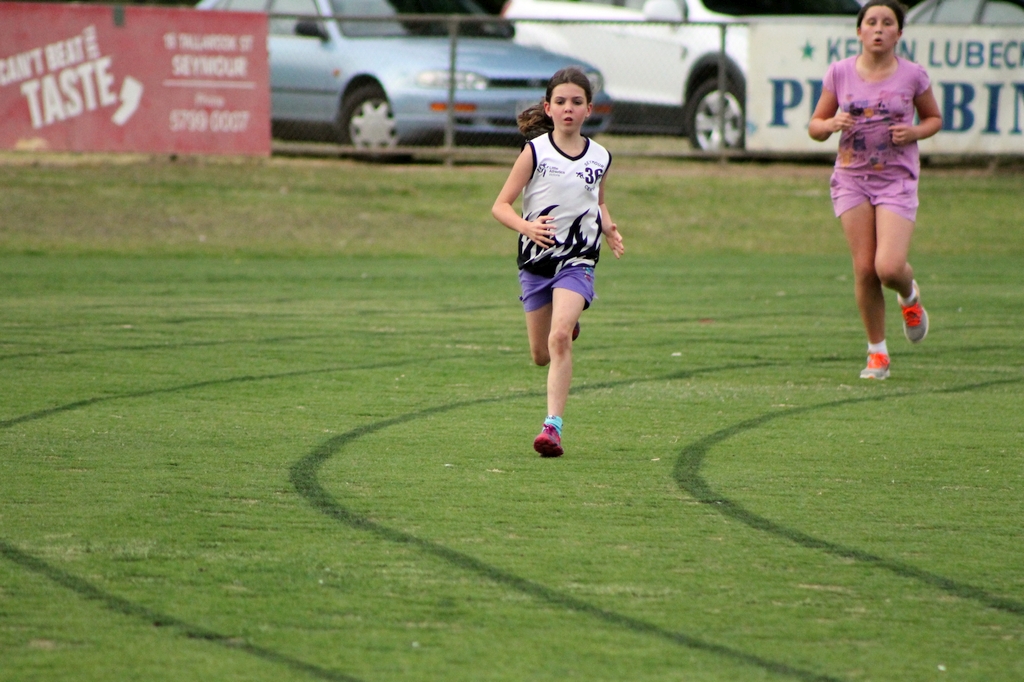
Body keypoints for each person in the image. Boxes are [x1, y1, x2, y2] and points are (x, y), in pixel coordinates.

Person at [491, 67, 624, 457]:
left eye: (577, 102)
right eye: (561, 102)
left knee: (559, 336)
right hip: (536, 261)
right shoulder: (535, 152)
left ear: (589, 110)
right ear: (548, 108)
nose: (569, 108)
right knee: (541, 354)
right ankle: (566, 324)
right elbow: (500, 206)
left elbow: (596, 202)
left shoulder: (600, 157)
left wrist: (608, 226)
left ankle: (552, 428)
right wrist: (526, 227)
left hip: (578, 258)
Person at [808, 0, 942, 380]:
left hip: (896, 179)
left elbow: (933, 118)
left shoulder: (913, 75)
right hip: (852, 179)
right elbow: (815, 126)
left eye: (887, 23)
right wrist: (830, 124)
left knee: (888, 267)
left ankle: (909, 295)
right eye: (871, 22)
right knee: (865, 268)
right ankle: (877, 353)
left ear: (899, 33)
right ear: (859, 31)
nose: (879, 29)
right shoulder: (840, 72)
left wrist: (914, 132)